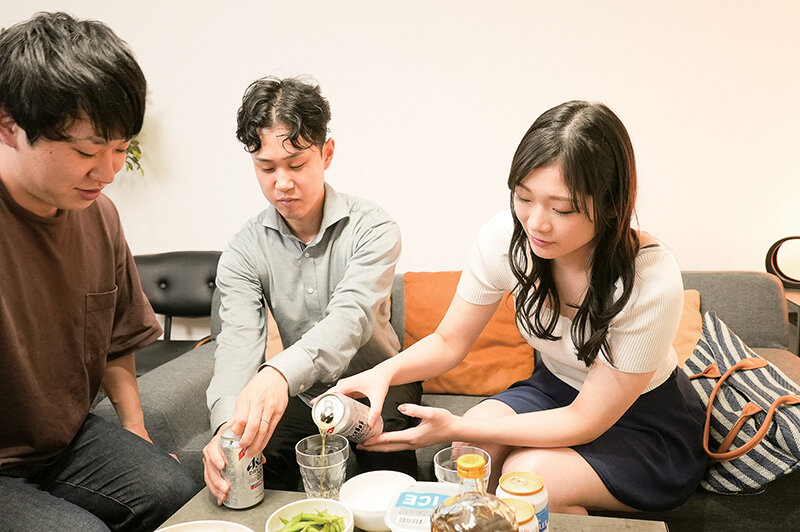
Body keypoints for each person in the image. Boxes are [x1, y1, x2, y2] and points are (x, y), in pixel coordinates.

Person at [330, 101, 708, 514]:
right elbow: (450, 340)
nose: (536, 223)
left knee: (529, 476)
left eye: (562, 208)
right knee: (470, 449)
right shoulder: (506, 240)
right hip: (555, 389)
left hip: (644, 420)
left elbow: (586, 419)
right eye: (524, 197)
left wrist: (456, 423)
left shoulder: (648, 279)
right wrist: (381, 373)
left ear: (611, 204)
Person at [0, 12, 197, 532]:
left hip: (64, 442)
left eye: (120, 149)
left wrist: (135, 429)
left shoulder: (99, 216)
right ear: (9, 125)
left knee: (175, 493)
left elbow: (116, 337)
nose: (107, 173)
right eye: (86, 151)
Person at [203, 76, 421, 503]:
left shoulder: (373, 227)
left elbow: (351, 318)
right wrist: (228, 427)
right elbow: (237, 343)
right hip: (304, 393)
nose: (282, 183)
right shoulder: (245, 248)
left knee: (388, 487)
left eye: (296, 164)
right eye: (266, 168)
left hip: (378, 382)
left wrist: (277, 373)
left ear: (327, 153)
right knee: (251, 469)